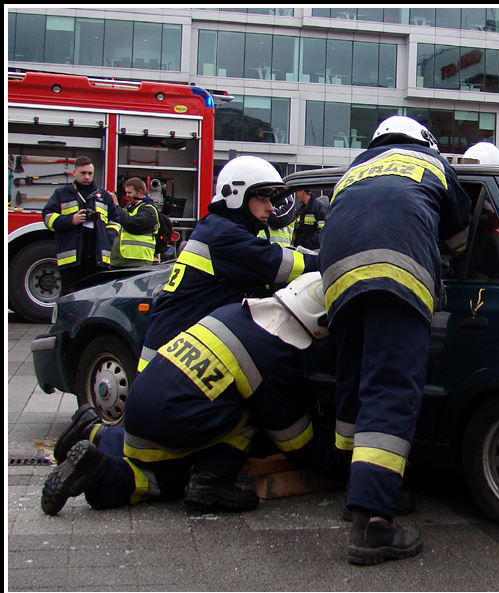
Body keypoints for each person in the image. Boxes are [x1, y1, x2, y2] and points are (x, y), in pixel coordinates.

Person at [42, 273, 343, 515]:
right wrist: (345, 468)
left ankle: (92, 431)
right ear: (318, 326)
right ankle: (106, 475)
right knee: (166, 476)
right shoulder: (274, 358)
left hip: (141, 401)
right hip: (169, 422)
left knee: (152, 443)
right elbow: (295, 442)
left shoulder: (237, 311)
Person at [318, 115, 471, 565]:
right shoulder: (432, 163)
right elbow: (460, 239)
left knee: (355, 385)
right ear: (424, 140)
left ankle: (358, 493)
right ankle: (375, 524)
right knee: (389, 390)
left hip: (338, 280)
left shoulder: (354, 169)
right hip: (396, 276)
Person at [137, 156, 318, 372]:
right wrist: (331, 259)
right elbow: (278, 263)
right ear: (236, 196)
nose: (271, 208)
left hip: (182, 355)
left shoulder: (221, 228)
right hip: (170, 367)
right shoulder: (223, 235)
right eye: (262, 199)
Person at [42, 156, 121, 294]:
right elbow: (47, 217)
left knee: (94, 298)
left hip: (98, 259)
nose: (87, 177)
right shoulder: (62, 194)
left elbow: (115, 220)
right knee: (69, 297)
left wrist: (108, 239)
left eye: (90, 173)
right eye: (83, 173)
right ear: (74, 173)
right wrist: (71, 220)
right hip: (71, 259)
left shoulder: (103, 195)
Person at [110, 177, 159, 268]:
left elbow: (131, 224)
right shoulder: (129, 209)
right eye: (126, 193)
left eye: (129, 192)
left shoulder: (149, 210)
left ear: (140, 192)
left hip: (137, 262)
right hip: (121, 262)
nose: (127, 196)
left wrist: (116, 206)